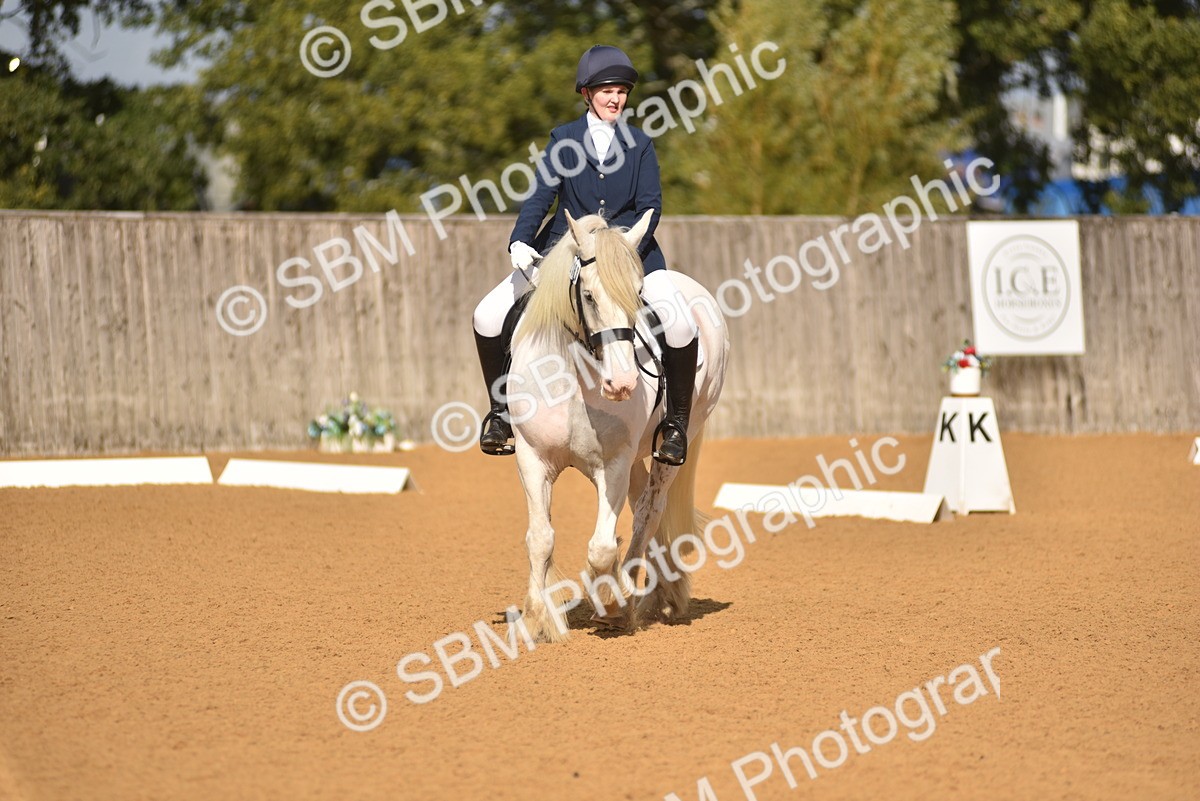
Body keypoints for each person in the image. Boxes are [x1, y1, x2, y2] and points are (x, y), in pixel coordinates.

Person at [471, 44, 699, 465]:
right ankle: (501, 414)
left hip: (631, 253)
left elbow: (651, 205)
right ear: (586, 93)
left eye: (622, 91)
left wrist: (624, 247)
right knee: (487, 314)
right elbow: (541, 196)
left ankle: (676, 425)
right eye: (607, 90)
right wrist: (521, 240)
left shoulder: (640, 143)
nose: (616, 98)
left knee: (682, 324)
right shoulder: (563, 139)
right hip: (564, 249)